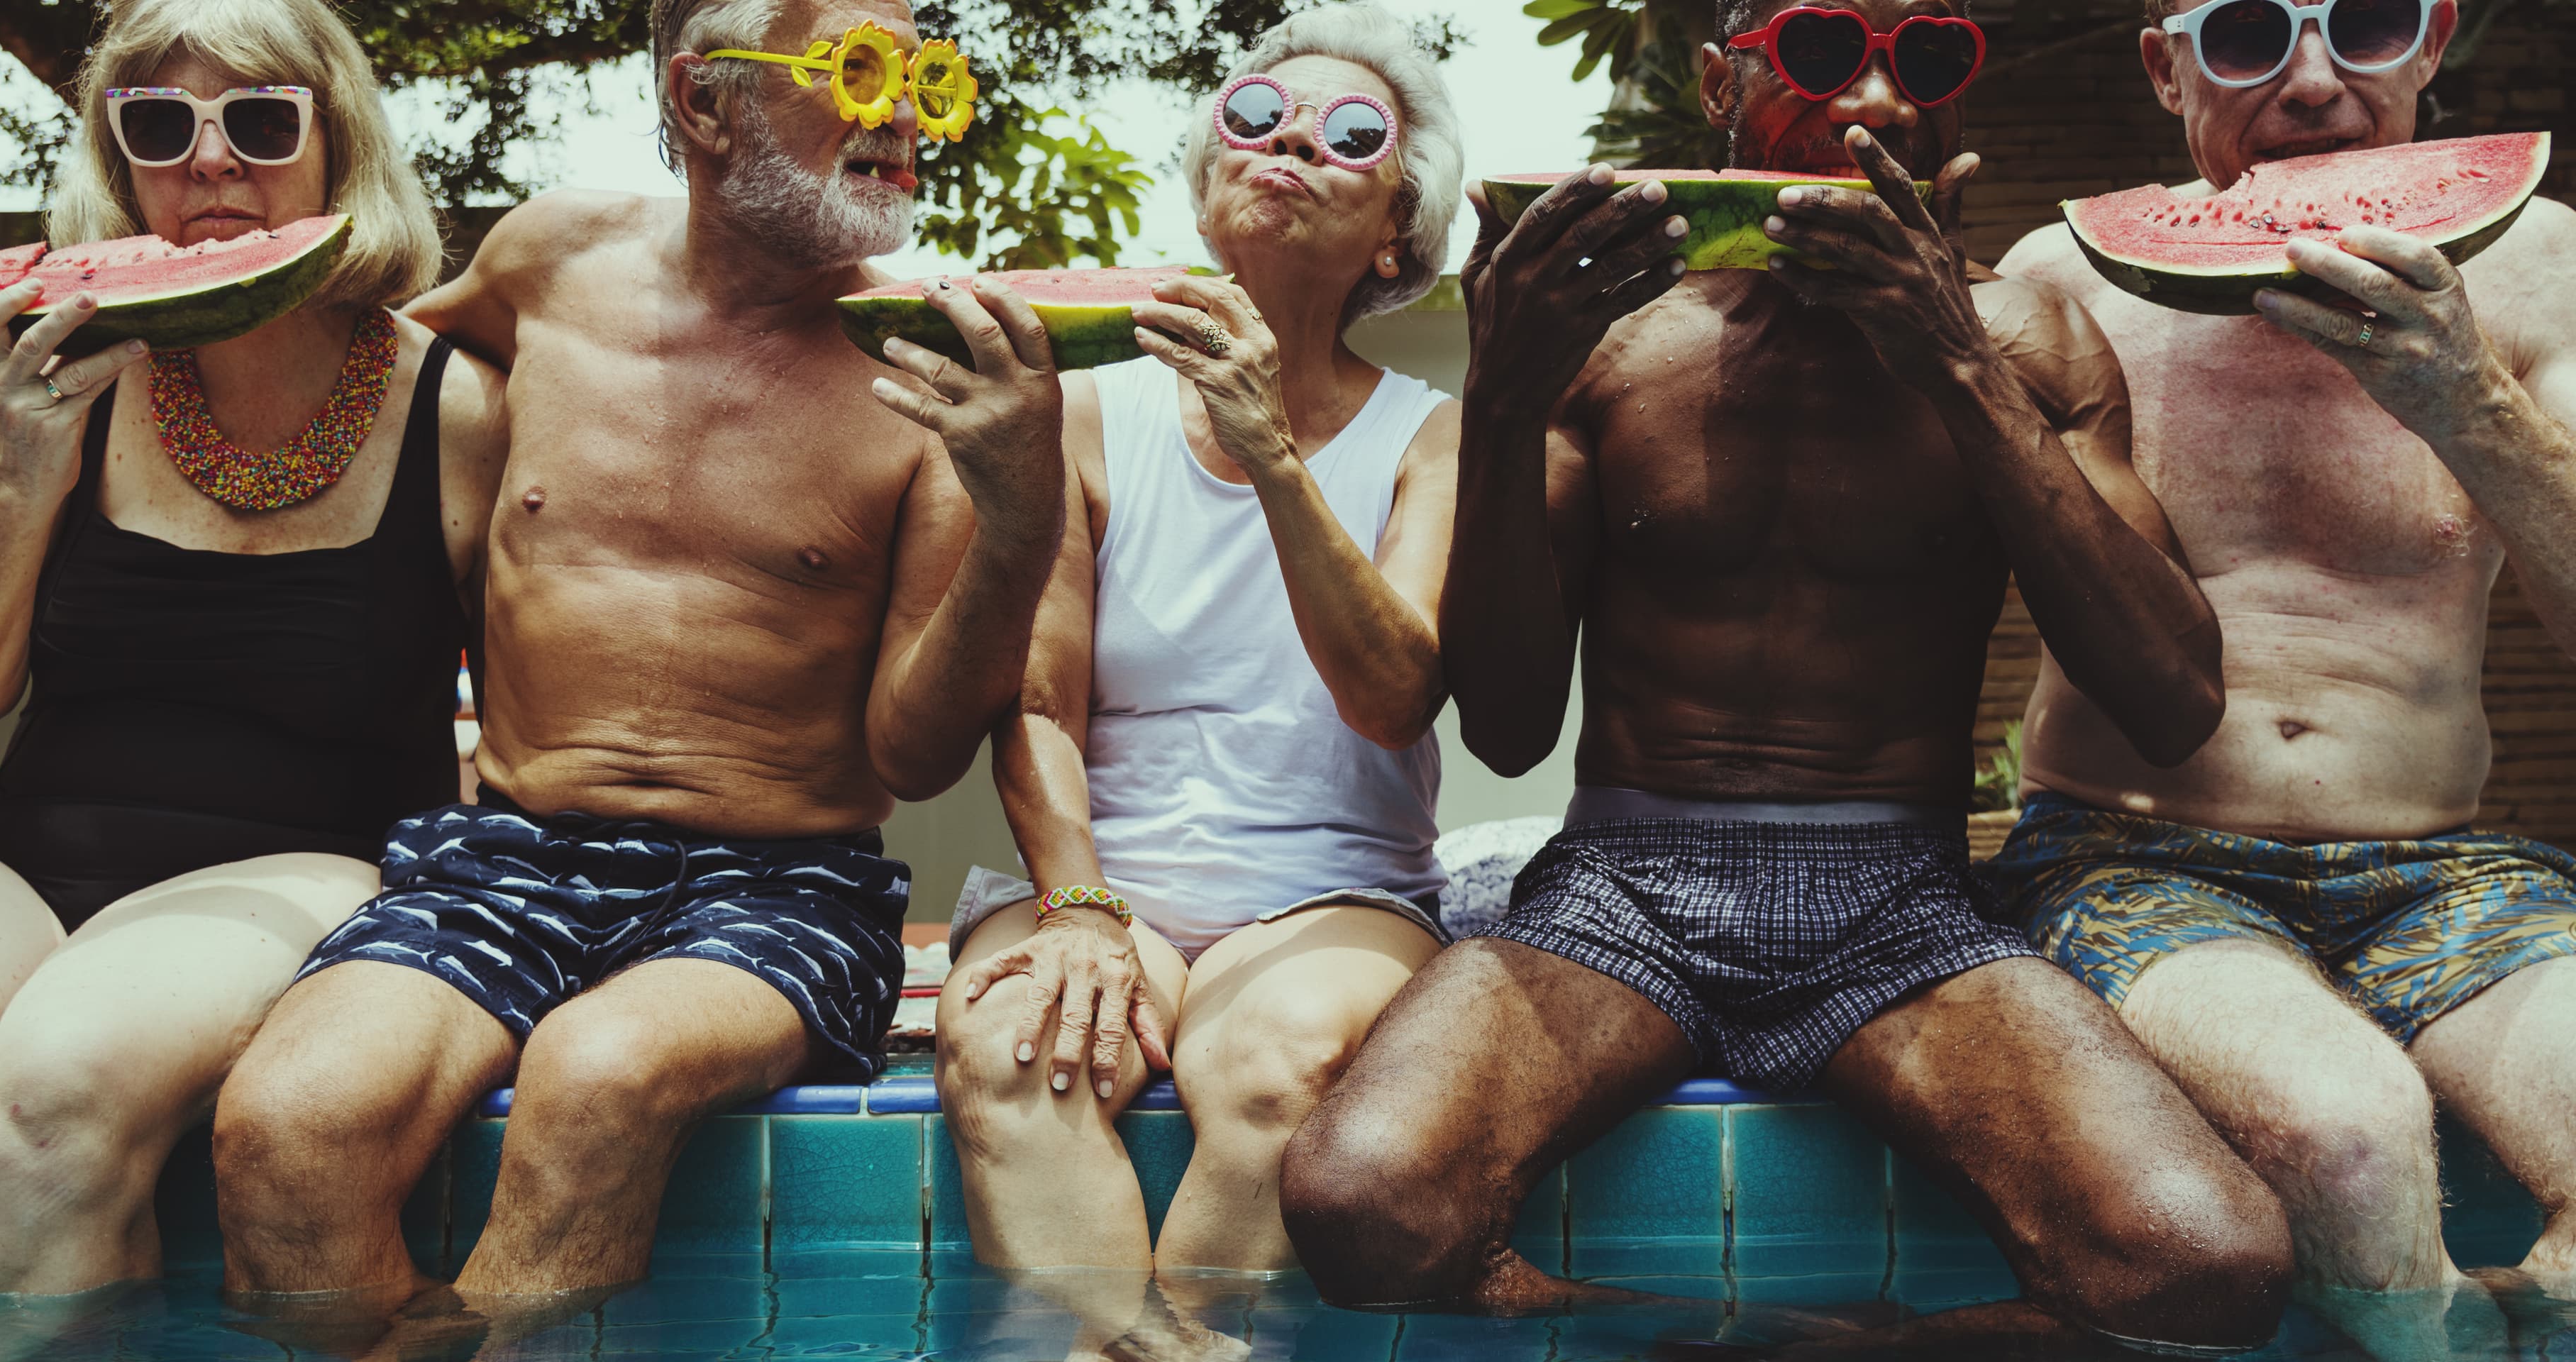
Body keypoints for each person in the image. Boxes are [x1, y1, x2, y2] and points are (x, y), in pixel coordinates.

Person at [1275, 0, 2304, 1348]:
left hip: (1902, 904)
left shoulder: (2030, 341)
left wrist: (1955, 362)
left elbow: (2175, 702)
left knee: (2204, 1267)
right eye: (1822, 52)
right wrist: (1507, 401)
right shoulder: (1613, 344)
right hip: (1626, 886)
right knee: (1364, 1208)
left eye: (1928, 58)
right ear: (1720, 82)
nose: (1877, 98)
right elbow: (1515, 731)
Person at [197, 0, 1060, 1315]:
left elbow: (916, 753)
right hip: (507, 852)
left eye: (927, 72)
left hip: (783, 884)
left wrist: (1017, 519)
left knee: (598, 1077)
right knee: (285, 1131)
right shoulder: (552, 257)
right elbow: (351, 387)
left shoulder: (931, 367)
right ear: (705, 101)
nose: (902, 111)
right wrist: (76, 339)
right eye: (859, 69)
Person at [0, 0, 504, 1296]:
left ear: (339, 147)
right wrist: (22, 471)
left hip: (312, 868)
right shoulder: (55, 378)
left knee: (54, 1096)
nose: (212, 163)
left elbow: (532, 722)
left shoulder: (462, 405)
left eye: (261, 123)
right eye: (159, 126)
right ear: (119, 159)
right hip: (21, 861)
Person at [1987, 0, 2576, 1314]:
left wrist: (2467, 402)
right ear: (2163, 67)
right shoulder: (2058, 282)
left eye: (2368, 25)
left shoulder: (2548, 265)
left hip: (2443, 872)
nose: (2314, 81)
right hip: (2129, 858)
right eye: (2249, 36)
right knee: (2349, 1139)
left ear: (2434, 45)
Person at [928, 1, 1461, 1341]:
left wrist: (1272, 453)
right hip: (1104, 879)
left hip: (1333, 891)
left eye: (1349, 136)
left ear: (1396, 225)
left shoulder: (1427, 437)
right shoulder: (1090, 411)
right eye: (1254, 115)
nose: (1288, 142)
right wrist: (1083, 907)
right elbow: (1037, 703)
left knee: (1273, 1070)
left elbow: (1394, 695)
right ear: (1209, 172)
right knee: (1011, 1054)